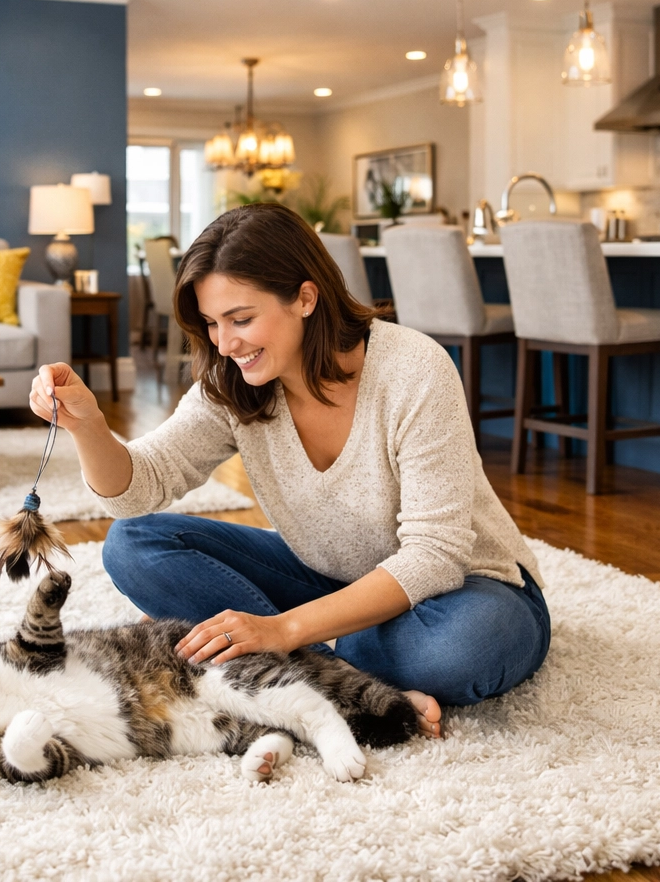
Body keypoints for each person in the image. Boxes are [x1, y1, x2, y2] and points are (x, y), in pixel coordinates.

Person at [29, 204, 548, 741]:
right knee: (133, 544)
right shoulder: (234, 380)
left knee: (464, 650)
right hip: (331, 578)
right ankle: (345, 680)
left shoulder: (414, 369)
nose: (226, 343)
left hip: (469, 587)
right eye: (211, 323)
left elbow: (436, 557)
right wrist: (88, 424)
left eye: (241, 318)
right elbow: (138, 490)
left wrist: (281, 628)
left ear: (305, 297)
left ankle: (296, 665)